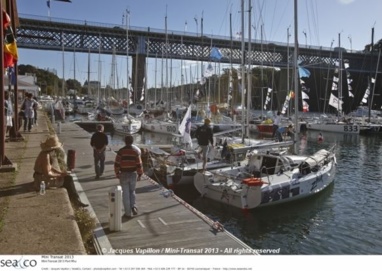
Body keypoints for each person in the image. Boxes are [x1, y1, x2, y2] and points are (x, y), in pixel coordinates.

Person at [33, 135, 88, 207]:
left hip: (40, 178)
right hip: (41, 181)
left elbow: (50, 168)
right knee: (68, 180)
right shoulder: (45, 156)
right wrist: (60, 175)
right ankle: (76, 201)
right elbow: (47, 173)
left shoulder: (45, 153)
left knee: (67, 178)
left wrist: (60, 173)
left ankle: (75, 200)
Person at [114, 135, 143, 219]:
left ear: (125, 141)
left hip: (123, 174)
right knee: (132, 191)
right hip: (133, 174)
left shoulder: (121, 151)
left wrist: (117, 173)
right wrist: (140, 174)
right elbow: (139, 164)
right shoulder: (135, 152)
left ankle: (127, 213)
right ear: (132, 142)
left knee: (125, 194)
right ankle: (133, 206)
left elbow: (117, 163)